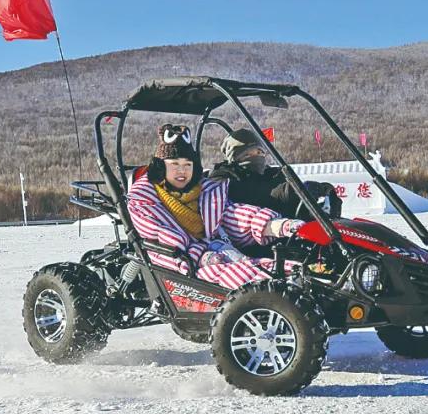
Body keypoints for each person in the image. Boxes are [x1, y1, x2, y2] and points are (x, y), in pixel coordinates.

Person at [127, 124, 303, 290]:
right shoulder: (145, 201)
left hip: (219, 252)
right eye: (174, 165)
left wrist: (277, 225)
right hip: (186, 269)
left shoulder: (204, 192)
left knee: (270, 268)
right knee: (246, 278)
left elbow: (231, 214)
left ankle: (294, 285)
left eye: (187, 165)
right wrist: (203, 256)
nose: (182, 171)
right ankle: (274, 296)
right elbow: (163, 240)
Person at [209, 128, 342, 221]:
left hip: (287, 235)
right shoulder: (223, 179)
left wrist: (320, 203)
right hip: (249, 243)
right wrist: (290, 191)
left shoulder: (272, 174)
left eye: (259, 152)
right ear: (234, 158)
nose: (256, 157)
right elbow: (254, 196)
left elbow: (289, 208)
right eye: (248, 154)